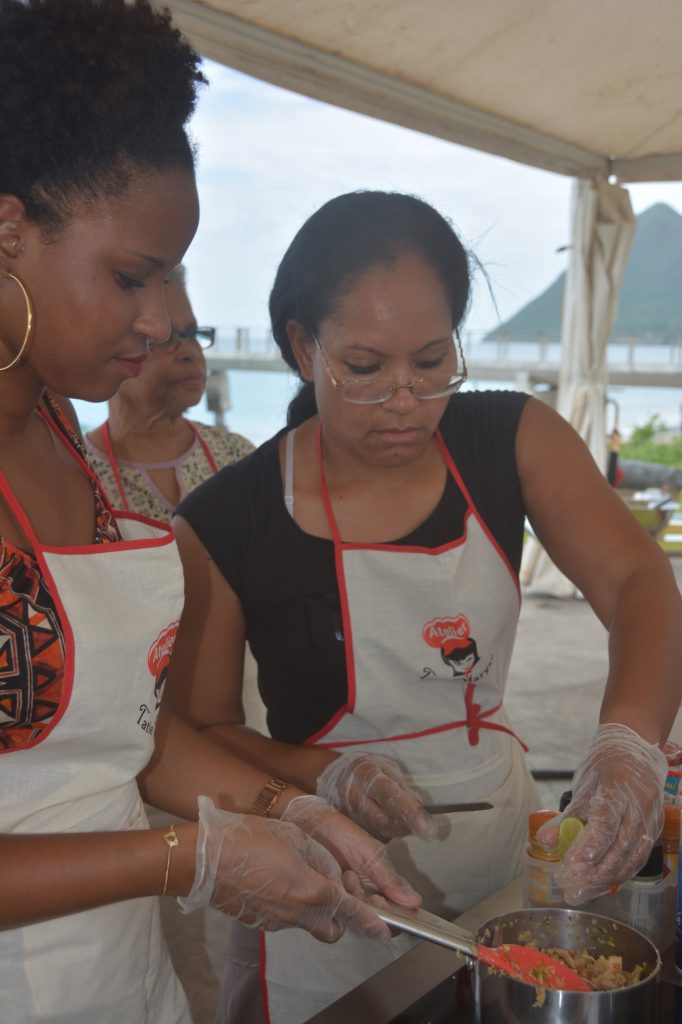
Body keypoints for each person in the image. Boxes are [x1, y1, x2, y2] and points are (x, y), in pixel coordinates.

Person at [169, 190, 682, 1023]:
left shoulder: (512, 439)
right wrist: (323, 774)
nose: (405, 400)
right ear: (304, 348)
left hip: (499, 869)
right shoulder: (230, 518)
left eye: (433, 361)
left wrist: (628, 742)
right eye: (365, 369)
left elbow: (638, 582)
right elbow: (200, 732)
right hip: (325, 888)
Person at [0, 9, 419, 1024]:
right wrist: (192, 855)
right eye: (132, 276)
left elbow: (120, 738)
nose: (160, 320)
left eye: (173, 272)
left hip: (123, 981)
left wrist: (289, 808)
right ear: (7, 230)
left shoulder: (62, 430)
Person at [86, 264, 253, 521]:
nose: (191, 353)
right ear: (109, 348)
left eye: (192, 334)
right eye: (166, 338)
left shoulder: (237, 457)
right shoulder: (81, 475)